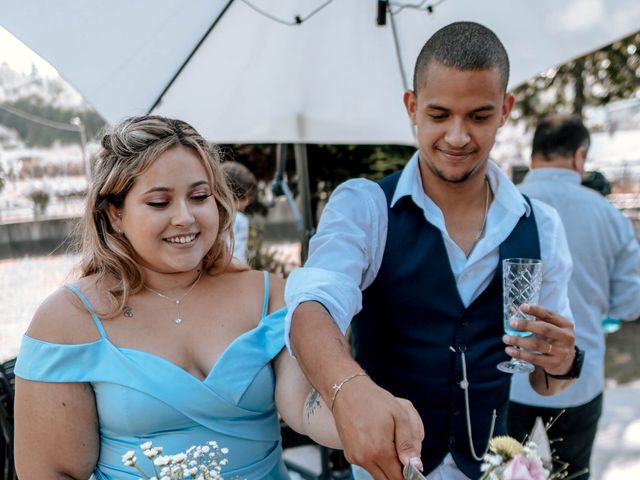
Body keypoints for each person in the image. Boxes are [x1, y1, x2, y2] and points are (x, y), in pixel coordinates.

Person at [285, 22, 580, 480]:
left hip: (495, 465)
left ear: (505, 110)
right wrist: (349, 390)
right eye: (440, 115)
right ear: (412, 107)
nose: (458, 137)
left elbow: (543, 382)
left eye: (479, 117)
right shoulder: (365, 206)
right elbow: (313, 306)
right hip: (387, 469)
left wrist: (563, 364)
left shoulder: (541, 224)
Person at [13, 115, 381, 479]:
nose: (185, 218)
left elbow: (306, 408)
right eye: (160, 203)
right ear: (114, 215)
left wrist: (367, 410)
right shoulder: (67, 320)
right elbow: (49, 472)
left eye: (199, 196)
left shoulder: (270, 294)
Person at [509, 114, 640, 479]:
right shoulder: (609, 216)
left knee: (498, 471)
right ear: (579, 155)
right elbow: (630, 304)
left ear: (534, 154)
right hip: (580, 376)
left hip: (509, 374)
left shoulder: (504, 207)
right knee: (573, 473)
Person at [222, 161, 257, 263]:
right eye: (248, 196)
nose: (248, 202)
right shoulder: (240, 220)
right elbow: (238, 257)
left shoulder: (211, 215)